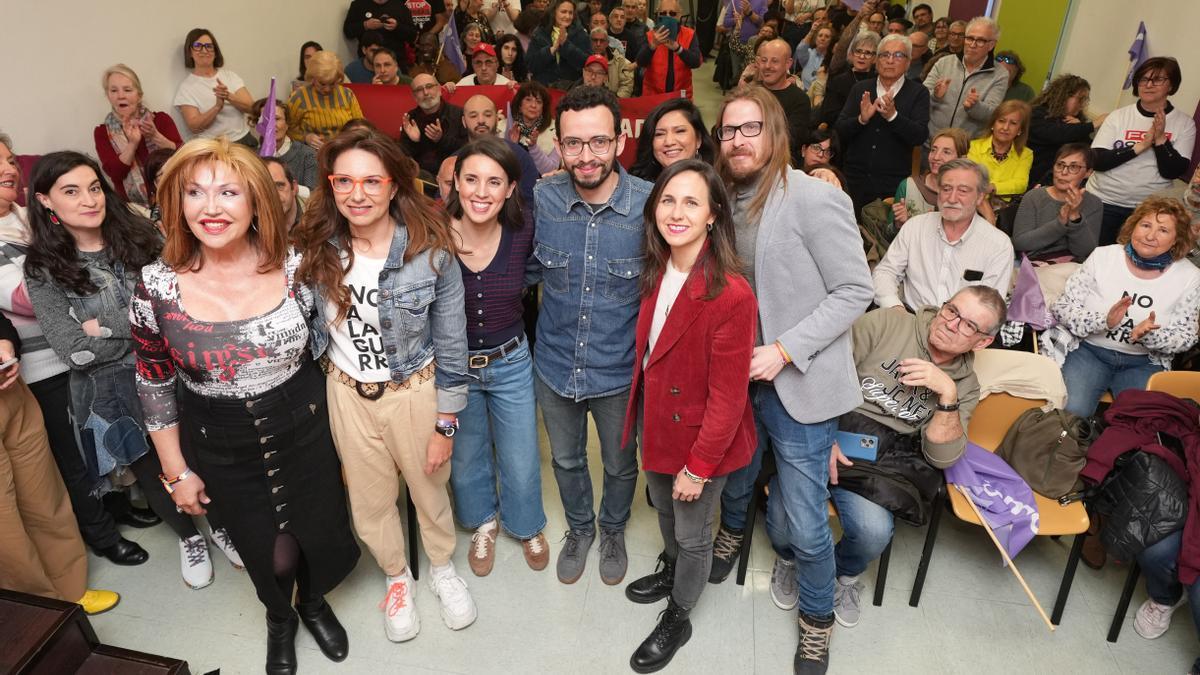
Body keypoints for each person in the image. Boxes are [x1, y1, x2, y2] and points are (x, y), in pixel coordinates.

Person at [131, 139, 360, 674]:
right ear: (178, 204)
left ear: (256, 200)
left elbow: (332, 348)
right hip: (221, 442)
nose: (211, 208)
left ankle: (313, 603)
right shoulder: (156, 286)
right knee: (267, 550)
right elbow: (154, 381)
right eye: (195, 193)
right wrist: (176, 471)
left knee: (318, 531)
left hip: (305, 427)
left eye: (228, 192)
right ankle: (280, 617)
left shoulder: (296, 266)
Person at [713, 85, 874, 672]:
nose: (738, 140)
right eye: (729, 130)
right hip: (737, 377)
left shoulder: (814, 197)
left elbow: (855, 290)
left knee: (807, 522)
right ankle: (731, 535)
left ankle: (816, 621)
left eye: (750, 128)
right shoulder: (719, 198)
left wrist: (783, 350)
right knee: (736, 479)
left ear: (776, 133)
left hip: (797, 383)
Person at [294, 127, 476, 644]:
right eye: (345, 181)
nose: (358, 194)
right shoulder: (314, 249)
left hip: (413, 391)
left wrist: (445, 423)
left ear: (394, 185)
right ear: (330, 186)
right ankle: (397, 577)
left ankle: (441, 568)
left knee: (428, 489)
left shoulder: (431, 252)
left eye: (372, 181)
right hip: (346, 392)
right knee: (370, 501)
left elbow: (453, 344)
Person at [24, 152, 238, 591]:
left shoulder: (142, 238)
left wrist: (100, 326)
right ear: (45, 200)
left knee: (196, 456)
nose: (88, 200)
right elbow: (74, 352)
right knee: (149, 470)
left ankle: (220, 526)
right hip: (108, 390)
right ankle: (188, 538)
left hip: (174, 372)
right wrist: (143, 325)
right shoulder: (43, 267)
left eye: (94, 188)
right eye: (71, 191)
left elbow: (180, 308)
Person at [766, 286, 1003, 630]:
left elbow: (942, 457)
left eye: (968, 325)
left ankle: (841, 574)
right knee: (783, 523)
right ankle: (789, 560)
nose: (951, 324)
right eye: (952, 310)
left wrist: (947, 395)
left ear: (982, 342)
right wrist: (824, 438)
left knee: (873, 532)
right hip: (827, 429)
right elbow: (820, 373)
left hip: (881, 462)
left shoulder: (965, 386)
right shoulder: (887, 324)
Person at [620, 159, 757, 672]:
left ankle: (679, 614)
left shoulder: (731, 293)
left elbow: (729, 398)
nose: (676, 213)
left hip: (702, 439)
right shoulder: (658, 268)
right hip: (657, 421)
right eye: (668, 200)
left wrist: (698, 469)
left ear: (713, 215)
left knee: (694, 533)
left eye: (691, 202)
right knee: (663, 509)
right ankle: (673, 569)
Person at [0, 134, 149, 568]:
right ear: (49, 199)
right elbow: (29, 299)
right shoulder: (42, 231)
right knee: (75, 453)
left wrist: (100, 321)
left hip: (98, 346)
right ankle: (102, 534)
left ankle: (119, 508)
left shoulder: (29, 217)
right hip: (44, 361)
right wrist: (77, 293)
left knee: (103, 434)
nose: (8, 170)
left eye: (9, 160)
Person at [526, 86, 651, 586]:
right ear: (557, 145)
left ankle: (613, 528)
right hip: (555, 364)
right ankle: (580, 529)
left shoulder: (649, 206)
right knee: (566, 459)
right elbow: (518, 266)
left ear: (619, 140)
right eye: (573, 143)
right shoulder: (543, 197)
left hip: (619, 370)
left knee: (620, 465)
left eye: (598, 141)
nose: (586, 156)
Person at [442, 137, 549, 577]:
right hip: (455, 367)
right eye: (471, 179)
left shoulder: (524, 229)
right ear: (455, 183)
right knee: (466, 456)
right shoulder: (434, 234)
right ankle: (483, 522)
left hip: (511, 362)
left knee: (521, 455)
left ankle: (526, 525)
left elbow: (537, 272)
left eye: (494, 181)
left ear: (510, 189)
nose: (481, 192)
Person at [0, 310, 121, 616]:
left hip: (10, 391)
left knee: (44, 498)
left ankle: (71, 589)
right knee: (5, 524)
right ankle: (42, 611)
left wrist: (5, 342)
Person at [1042, 197, 1200, 418]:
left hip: (1143, 362)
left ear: (1176, 239)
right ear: (1133, 226)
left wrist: (1150, 336)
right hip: (1089, 352)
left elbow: (1186, 336)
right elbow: (1063, 307)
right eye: (1145, 225)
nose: (1150, 236)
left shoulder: (1190, 277)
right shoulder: (1103, 257)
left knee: (1140, 423)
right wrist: (1103, 321)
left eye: (1163, 230)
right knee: (1071, 413)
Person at [873, 158, 1014, 312]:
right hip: (910, 319)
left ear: (980, 197)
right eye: (946, 189)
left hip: (963, 324)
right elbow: (886, 272)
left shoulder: (998, 245)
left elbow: (990, 307)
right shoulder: (915, 227)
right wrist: (895, 307)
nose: (952, 199)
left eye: (963, 191)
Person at [1088, 57, 1195, 246]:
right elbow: (1098, 161)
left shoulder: (1185, 123)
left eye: (1157, 79)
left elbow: (1173, 171)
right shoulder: (1118, 116)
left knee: (1135, 258)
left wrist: (1160, 140)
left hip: (1149, 210)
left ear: (1171, 85)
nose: (1148, 85)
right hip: (1103, 201)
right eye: (1144, 79)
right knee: (1093, 254)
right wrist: (1140, 146)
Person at [835, 33, 930, 213]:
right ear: (877, 60)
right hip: (854, 180)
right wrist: (861, 120)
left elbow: (919, 135)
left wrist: (893, 116)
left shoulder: (918, 92)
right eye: (885, 55)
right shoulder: (861, 88)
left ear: (908, 62)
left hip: (891, 184)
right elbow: (840, 130)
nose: (890, 60)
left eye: (898, 55)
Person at [94, 65, 182, 206]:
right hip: (132, 208)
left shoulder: (161, 120)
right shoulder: (102, 132)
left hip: (173, 198)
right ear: (108, 95)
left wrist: (155, 137)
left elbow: (182, 156)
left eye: (127, 90)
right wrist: (132, 144)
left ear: (139, 95)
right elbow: (115, 174)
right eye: (114, 90)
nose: (121, 96)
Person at [1012, 143, 1102, 262]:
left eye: (1073, 167)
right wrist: (1060, 223)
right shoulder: (1034, 197)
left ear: (1088, 172)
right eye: (1060, 165)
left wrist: (1075, 217)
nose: (1064, 172)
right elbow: (1019, 243)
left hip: (1074, 264)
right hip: (1036, 262)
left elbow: (1085, 252)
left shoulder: (1094, 203)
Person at [923, 17, 1008, 139]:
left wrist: (974, 106)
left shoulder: (999, 74)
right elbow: (921, 99)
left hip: (966, 146)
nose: (972, 45)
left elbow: (992, 114)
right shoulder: (944, 63)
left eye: (980, 41)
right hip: (933, 141)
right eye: (969, 38)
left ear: (991, 45)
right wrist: (935, 96)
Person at [174, 28, 256, 146]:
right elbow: (194, 127)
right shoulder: (186, 88)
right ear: (189, 52)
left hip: (244, 140)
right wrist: (217, 107)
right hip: (214, 147)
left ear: (215, 52)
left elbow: (252, 108)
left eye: (209, 46)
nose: (204, 50)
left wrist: (228, 96)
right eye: (198, 46)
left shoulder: (230, 76)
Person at [460, 95, 540, 204]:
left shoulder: (518, 156)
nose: (481, 120)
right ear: (464, 121)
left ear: (497, 119)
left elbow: (531, 202)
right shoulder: (455, 160)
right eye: (473, 116)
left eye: (488, 115)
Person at [890, 127, 969, 227]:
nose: (936, 157)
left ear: (961, 159)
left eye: (946, 152)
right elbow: (888, 233)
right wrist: (899, 224)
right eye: (933, 150)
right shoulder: (908, 186)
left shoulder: (966, 194)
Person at [287, 51, 365, 152]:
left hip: (344, 149)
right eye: (322, 84)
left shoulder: (347, 94)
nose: (327, 89)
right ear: (313, 78)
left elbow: (359, 124)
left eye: (332, 83)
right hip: (312, 153)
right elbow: (287, 128)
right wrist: (306, 137)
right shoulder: (299, 98)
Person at [750, 39, 812, 165]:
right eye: (764, 60)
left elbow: (790, 139)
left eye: (775, 61)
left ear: (788, 64)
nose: (767, 66)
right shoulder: (750, 92)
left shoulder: (800, 100)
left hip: (779, 165)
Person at [1027, 74, 1095, 187]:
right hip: (1033, 178)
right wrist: (1093, 125)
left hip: (1060, 181)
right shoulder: (1037, 113)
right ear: (1065, 96)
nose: (1082, 105)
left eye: (1085, 100)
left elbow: (1089, 152)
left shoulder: (1077, 123)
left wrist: (1080, 127)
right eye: (1080, 99)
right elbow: (1055, 134)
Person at [629, 98, 716, 182]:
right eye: (659, 134)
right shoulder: (636, 186)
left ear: (698, 139)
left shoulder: (715, 184)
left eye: (679, 131)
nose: (669, 142)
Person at [401, 74, 467, 176]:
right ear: (414, 97)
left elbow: (467, 148)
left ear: (439, 90)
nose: (426, 93)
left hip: (454, 173)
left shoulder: (458, 114)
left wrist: (441, 139)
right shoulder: (410, 118)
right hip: (421, 176)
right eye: (419, 90)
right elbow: (404, 156)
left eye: (429, 86)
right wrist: (415, 141)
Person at [966, 99, 1033, 200]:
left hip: (1004, 207)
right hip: (973, 200)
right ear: (993, 124)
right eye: (1001, 121)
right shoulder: (973, 147)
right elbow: (972, 179)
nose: (1005, 127)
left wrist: (993, 187)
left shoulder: (1026, 154)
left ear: (1020, 130)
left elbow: (1020, 184)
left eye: (1013, 123)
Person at [638, 0, 701, 96]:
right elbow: (640, 62)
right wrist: (652, 46)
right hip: (654, 95)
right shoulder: (650, 35)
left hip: (680, 94)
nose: (668, 16)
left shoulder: (690, 34)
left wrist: (678, 49)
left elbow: (696, 62)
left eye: (672, 13)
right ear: (658, 15)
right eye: (663, 13)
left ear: (679, 15)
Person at [252, 98, 318, 190]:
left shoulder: (307, 155)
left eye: (277, 119)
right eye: (266, 120)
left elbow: (313, 193)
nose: (272, 125)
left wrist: (283, 185)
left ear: (287, 124)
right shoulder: (252, 158)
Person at [817, 30, 876, 128]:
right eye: (858, 51)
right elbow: (828, 115)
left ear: (875, 58)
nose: (862, 56)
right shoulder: (838, 80)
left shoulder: (878, 81)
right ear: (851, 54)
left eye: (868, 53)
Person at [527, 0, 592, 87]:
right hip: (543, 88)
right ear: (554, 12)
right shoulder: (540, 32)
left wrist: (566, 45)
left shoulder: (581, 34)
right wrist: (552, 49)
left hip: (572, 88)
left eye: (570, 13)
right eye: (563, 12)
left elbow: (587, 63)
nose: (567, 16)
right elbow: (531, 65)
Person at [343, 0, 422, 67]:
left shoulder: (400, 6)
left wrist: (397, 27)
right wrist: (365, 25)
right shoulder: (358, 5)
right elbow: (348, 32)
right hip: (367, 64)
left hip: (396, 62)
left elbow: (413, 36)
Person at [507, 81, 561, 175]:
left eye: (539, 102)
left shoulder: (555, 131)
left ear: (543, 108)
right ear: (519, 105)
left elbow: (551, 171)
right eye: (528, 100)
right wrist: (512, 146)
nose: (533, 105)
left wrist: (533, 147)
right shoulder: (503, 127)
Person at [722, 0, 768, 84]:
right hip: (736, 43)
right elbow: (725, 23)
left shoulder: (762, 1)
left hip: (754, 46)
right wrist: (737, 19)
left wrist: (750, 13)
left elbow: (763, 23)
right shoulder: (734, 1)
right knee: (737, 75)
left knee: (751, 77)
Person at [586, 31, 635, 97]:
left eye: (602, 41)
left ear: (607, 43)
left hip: (616, 99)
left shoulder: (621, 62)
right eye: (595, 40)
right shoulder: (584, 59)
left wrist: (615, 99)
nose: (598, 44)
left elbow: (626, 86)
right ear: (590, 42)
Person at [262, 157, 307, 230]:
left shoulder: (317, 220)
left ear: (294, 188)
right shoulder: (250, 222)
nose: (273, 195)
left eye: (279, 186)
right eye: (264, 189)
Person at [793, 22, 833, 90]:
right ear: (815, 39)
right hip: (803, 89)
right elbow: (800, 48)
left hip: (819, 92)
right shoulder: (809, 53)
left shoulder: (831, 59)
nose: (823, 38)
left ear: (830, 41)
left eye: (827, 36)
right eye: (820, 35)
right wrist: (812, 31)